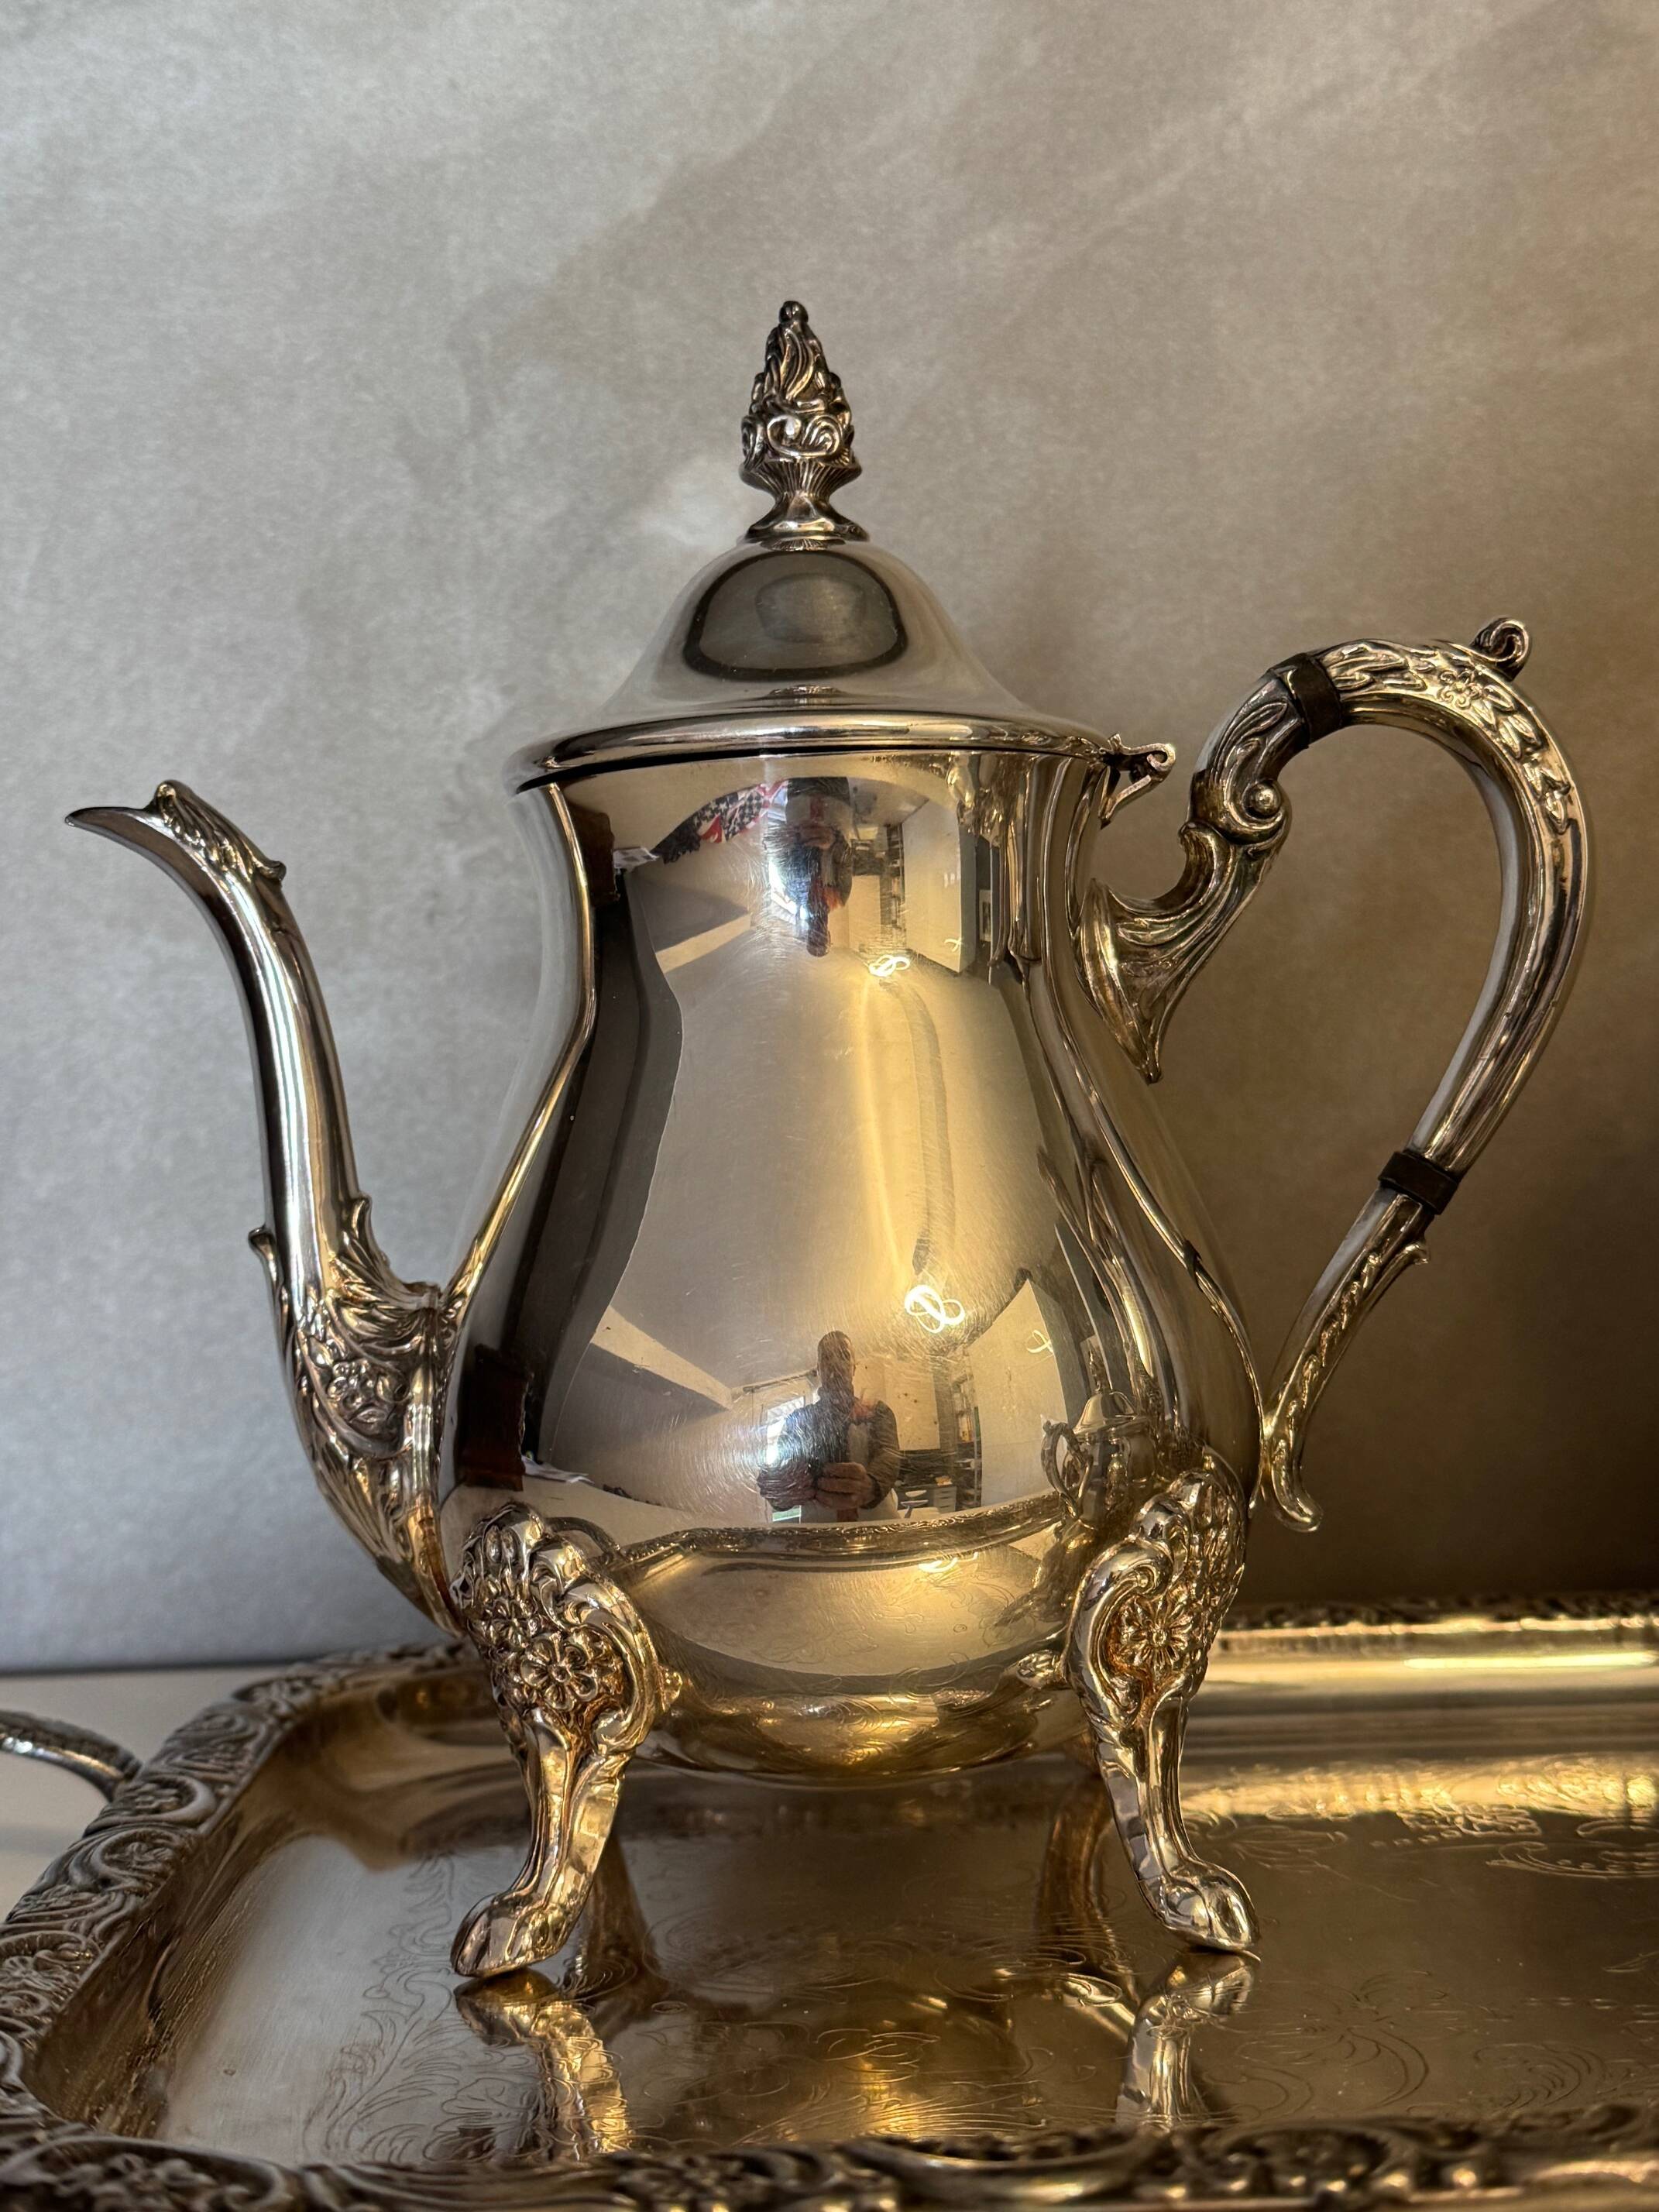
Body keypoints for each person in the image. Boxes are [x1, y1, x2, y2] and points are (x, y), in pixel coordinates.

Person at [759, 1331, 899, 1521]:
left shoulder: (878, 1412)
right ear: (818, 1369)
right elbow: (784, 1469)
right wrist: (779, 1490)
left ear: (854, 1368)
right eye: (827, 1357)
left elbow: (889, 1456)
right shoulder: (799, 1420)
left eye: (844, 1355)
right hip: (820, 1533)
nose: (835, 1363)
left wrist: (873, 1485)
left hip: (878, 1527)